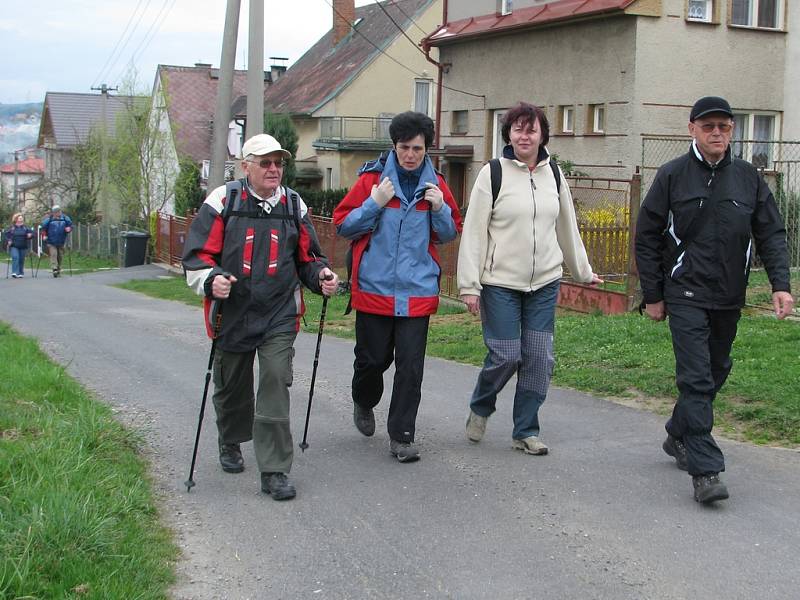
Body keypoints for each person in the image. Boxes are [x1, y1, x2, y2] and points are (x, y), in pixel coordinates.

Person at [635, 96, 794, 504]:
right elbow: (647, 236)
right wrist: (653, 295)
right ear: (692, 130)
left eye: (724, 126)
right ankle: (706, 471)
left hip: (728, 295)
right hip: (684, 291)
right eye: (709, 127)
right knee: (696, 377)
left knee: (717, 368)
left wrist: (781, 284)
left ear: (732, 130)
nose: (717, 133)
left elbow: (771, 233)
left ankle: (677, 433)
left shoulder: (748, 178)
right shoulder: (672, 175)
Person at [182, 134, 339, 501]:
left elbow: (308, 259)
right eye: (265, 162)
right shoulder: (224, 201)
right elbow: (196, 257)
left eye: (278, 163)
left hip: (278, 312)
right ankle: (231, 438)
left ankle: (274, 470)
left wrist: (322, 277)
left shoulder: (293, 205)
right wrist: (212, 280)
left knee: (274, 381)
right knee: (232, 384)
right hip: (233, 312)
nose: (273, 169)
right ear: (246, 166)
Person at [457, 101, 602, 456]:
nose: (524, 135)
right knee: (506, 355)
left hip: (544, 283)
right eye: (518, 128)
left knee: (539, 358)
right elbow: (474, 232)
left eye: (531, 129)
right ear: (508, 133)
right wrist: (469, 286)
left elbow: (566, 225)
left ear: (542, 135)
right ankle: (481, 404)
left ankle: (525, 430)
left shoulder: (554, 174)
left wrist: (582, 271)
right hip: (500, 283)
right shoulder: (493, 174)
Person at [333, 111, 463, 463]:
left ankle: (402, 436)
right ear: (394, 146)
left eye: (417, 149)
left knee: (411, 367)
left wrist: (439, 209)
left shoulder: (436, 185)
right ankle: (364, 399)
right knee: (372, 361)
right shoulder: (372, 181)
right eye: (404, 147)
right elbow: (343, 226)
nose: (410, 155)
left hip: (417, 291)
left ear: (426, 150)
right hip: (374, 288)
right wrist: (373, 203)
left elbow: (450, 233)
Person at [41, 205, 73, 277]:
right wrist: (44, 235)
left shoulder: (65, 218)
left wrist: (69, 229)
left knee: (60, 256)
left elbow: (70, 225)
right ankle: (54, 269)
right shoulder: (49, 219)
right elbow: (43, 228)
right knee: (53, 254)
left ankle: (58, 269)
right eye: (55, 212)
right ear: (53, 212)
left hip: (61, 241)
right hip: (51, 241)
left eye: (58, 211)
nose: (57, 213)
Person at [5, 213, 34, 278]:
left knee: (21, 259)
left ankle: (20, 273)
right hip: (14, 246)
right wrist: (9, 240)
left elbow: (32, 233)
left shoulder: (25, 227)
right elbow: (6, 235)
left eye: (22, 218)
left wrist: (30, 235)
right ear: (16, 219)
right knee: (15, 257)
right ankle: (15, 272)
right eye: (20, 218)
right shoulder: (12, 228)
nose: (21, 219)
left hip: (23, 246)